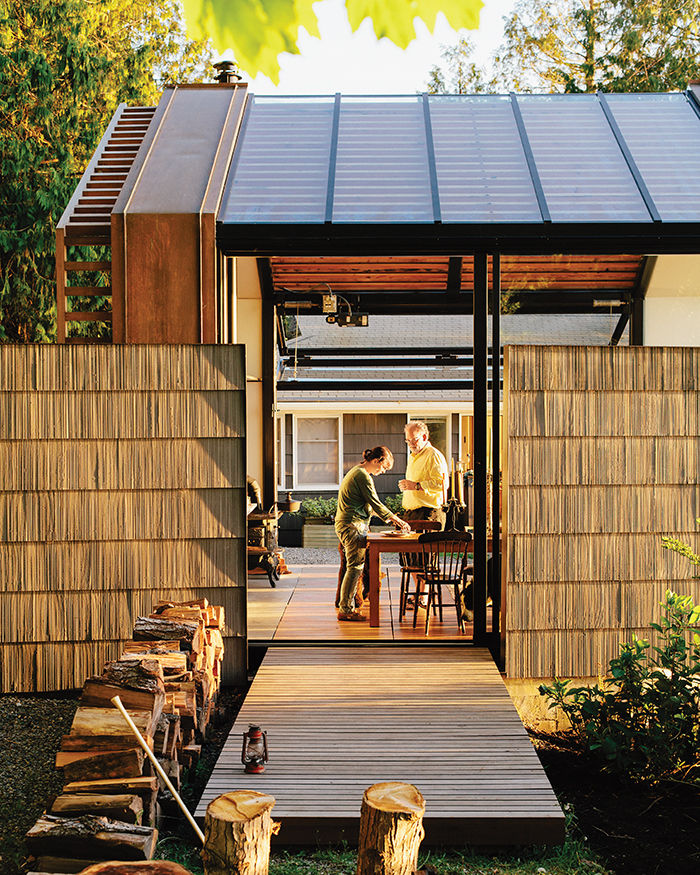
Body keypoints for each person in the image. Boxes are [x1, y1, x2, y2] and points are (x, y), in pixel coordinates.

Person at [335, 446, 410, 621]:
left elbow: (370, 506)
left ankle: (346, 605)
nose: (382, 472)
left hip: (348, 524)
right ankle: (346, 610)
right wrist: (397, 520)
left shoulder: (357, 472)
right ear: (377, 460)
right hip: (352, 525)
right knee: (355, 567)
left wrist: (391, 518)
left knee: (352, 566)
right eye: (383, 467)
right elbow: (375, 503)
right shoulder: (362, 475)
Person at [398, 420, 449, 528]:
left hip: (428, 514)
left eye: (414, 440)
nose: (410, 444)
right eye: (408, 440)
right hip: (411, 514)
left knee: (427, 546)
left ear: (424, 437)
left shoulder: (433, 455)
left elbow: (442, 484)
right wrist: (407, 486)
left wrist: (417, 486)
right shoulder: (413, 456)